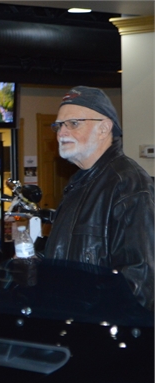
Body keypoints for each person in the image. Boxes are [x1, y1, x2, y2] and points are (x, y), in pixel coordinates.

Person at [43, 86, 154, 311]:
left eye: (73, 123)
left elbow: (139, 282)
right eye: (59, 125)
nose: (61, 133)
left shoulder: (128, 184)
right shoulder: (78, 184)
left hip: (97, 326)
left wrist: (94, 322)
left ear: (104, 128)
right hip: (69, 321)